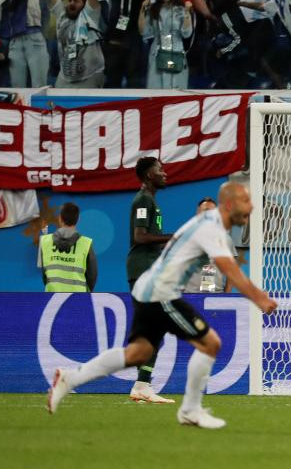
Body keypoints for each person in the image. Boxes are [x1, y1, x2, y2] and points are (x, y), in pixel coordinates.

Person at [47, 182, 278, 429]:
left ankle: (70, 378)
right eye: (246, 201)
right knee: (210, 343)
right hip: (160, 293)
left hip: (150, 289)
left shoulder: (211, 224)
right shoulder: (211, 227)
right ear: (230, 204)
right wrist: (260, 299)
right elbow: (230, 270)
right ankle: (190, 410)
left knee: (138, 354)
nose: (251, 207)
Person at [125, 156, 175, 404]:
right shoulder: (143, 199)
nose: (165, 173)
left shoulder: (150, 199)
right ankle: (141, 385)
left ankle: (142, 385)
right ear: (148, 175)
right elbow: (140, 237)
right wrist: (172, 237)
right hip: (143, 269)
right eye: (160, 170)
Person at [38, 202, 97, 292]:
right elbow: (92, 275)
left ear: (60, 218)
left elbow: (44, 274)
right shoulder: (86, 243)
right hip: (78, 299)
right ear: (78, 219)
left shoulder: (45, 241)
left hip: (52, 298)